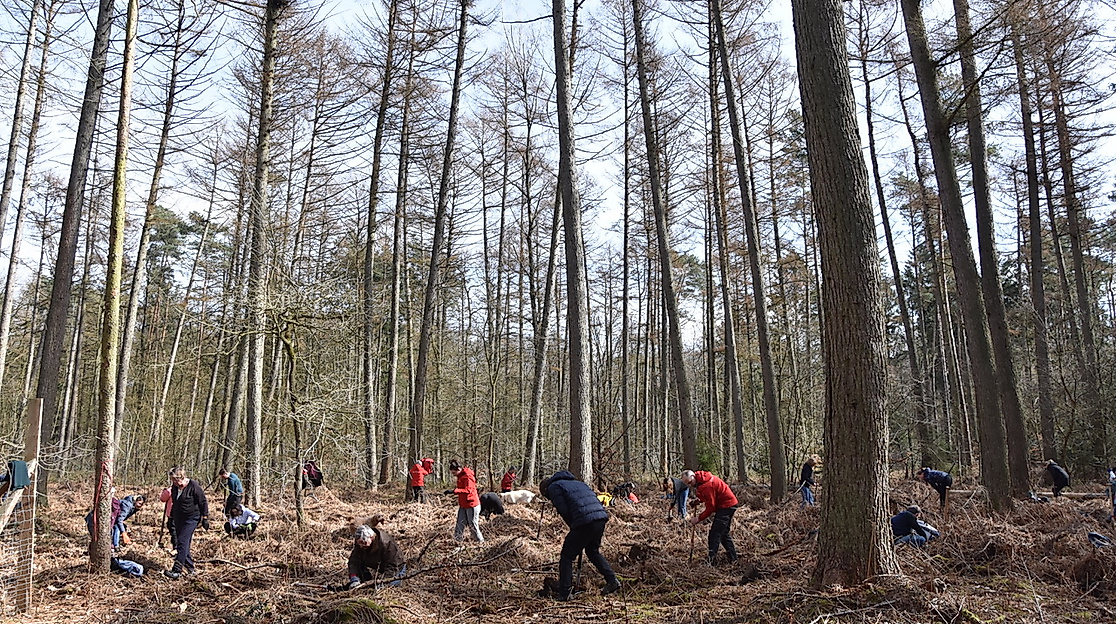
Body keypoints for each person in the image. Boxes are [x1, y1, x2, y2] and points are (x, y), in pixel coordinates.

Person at [540, 471, 621, 600]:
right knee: (592, 551)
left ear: (545, 490)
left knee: (567, 556)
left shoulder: (554, 487)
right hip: (600, 517)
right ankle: (612, 581)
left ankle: (565, 593)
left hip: (585, 520)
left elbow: (564, 510)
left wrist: (574, 526)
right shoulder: (577, 483)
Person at [682, 469, 739, 565]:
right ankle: (733, 559)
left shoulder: (706, 485)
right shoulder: (701, 480)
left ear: (693, 476)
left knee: (714, 534)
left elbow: (711, 507)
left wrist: (698, 518)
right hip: (727, 505)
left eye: (690, 482)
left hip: (727, 505)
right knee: (723, 533)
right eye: (687, 484)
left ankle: (711, 561)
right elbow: (709, 496)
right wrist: (698, 501)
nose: (690, 485)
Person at [164, 466, 209, 579]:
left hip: (192, 518)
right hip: (178, 518)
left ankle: (177, 570)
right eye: (172, 480)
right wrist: (171, 517)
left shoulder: (193, 486)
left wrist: (205, 517)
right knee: (184, 544)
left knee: (182, 542)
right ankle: (191, 569)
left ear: (181, 477)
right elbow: (175, 502)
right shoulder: (174, 488)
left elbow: (203, 501)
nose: (174, 482)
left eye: (175, 480)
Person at [347, 524, 405, 589]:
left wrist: (383, 582)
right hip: (379, 565)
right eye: (359, 543)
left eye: (363, 542)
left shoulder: (387, 544)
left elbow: (392, 567)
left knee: (389, 586)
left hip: (397, 567)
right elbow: (354, 560)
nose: (361, 546)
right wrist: (354, 577)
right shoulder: (361, 543)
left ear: (371, 537)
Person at [444, 460, 483, 543]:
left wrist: (454, 491)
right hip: (463, 504)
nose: (453, 475)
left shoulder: (468, 477)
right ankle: (457, 542)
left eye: (454, 472)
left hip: (472, 504)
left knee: (473, 525)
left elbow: (468, 490)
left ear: (458, 469)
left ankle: (481, 542)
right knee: (459, 524)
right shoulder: (460, 476)